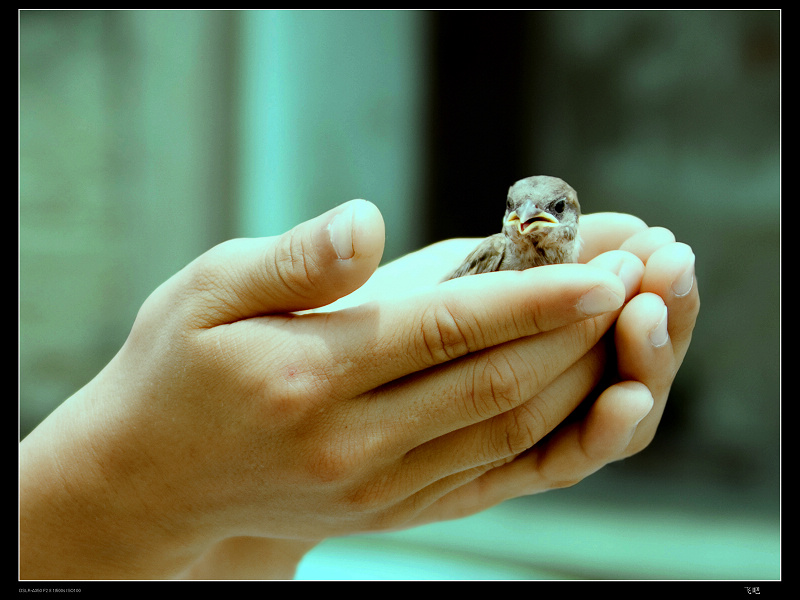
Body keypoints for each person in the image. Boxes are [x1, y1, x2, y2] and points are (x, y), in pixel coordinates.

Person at [19, 198, 699, 580]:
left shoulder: (582, 265)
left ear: (569, 218)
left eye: (549, 212)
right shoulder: (496, 254)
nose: (528, 224)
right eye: (517, 211)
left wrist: (264, 532)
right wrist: (126, 490)